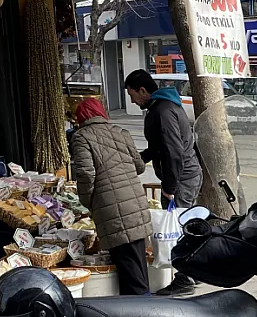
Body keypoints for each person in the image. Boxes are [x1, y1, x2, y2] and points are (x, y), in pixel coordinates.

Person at [124, 69, 202, 296]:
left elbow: (173, 152)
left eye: (132, 95)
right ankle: (192, 272)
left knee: (177, 228)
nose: (131, 100)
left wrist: (169, 188)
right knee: (185, 225)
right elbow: (159, 148)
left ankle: (184, 279)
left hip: (182, 177)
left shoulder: (162, 111)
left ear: (142, 90)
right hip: (185, 175)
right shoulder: (161, 107)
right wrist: (139, 159)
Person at [69, 98, 151, 296]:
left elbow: (86, 174)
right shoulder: (121, 132)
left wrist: (87, 201)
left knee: (129, 270)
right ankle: (145, 309)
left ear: (82, 117)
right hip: (135, 203)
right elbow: (139, 166)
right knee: (138, 264)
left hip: (111, 207)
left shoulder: (82, 137)